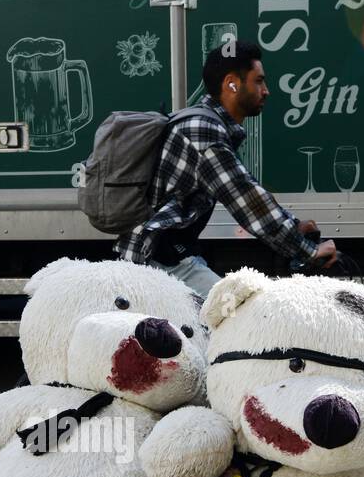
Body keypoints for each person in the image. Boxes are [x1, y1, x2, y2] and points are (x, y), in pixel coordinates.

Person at [115, 40, 339, 296]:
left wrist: (293, 224)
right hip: (158, 262)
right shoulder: (203, 130)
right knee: (237, 317)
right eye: (259, 81)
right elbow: (246, 201)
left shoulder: (208, 124)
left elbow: (248, 188)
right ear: (232, 83)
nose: (266, 91)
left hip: (173, 257)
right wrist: (308, 251)